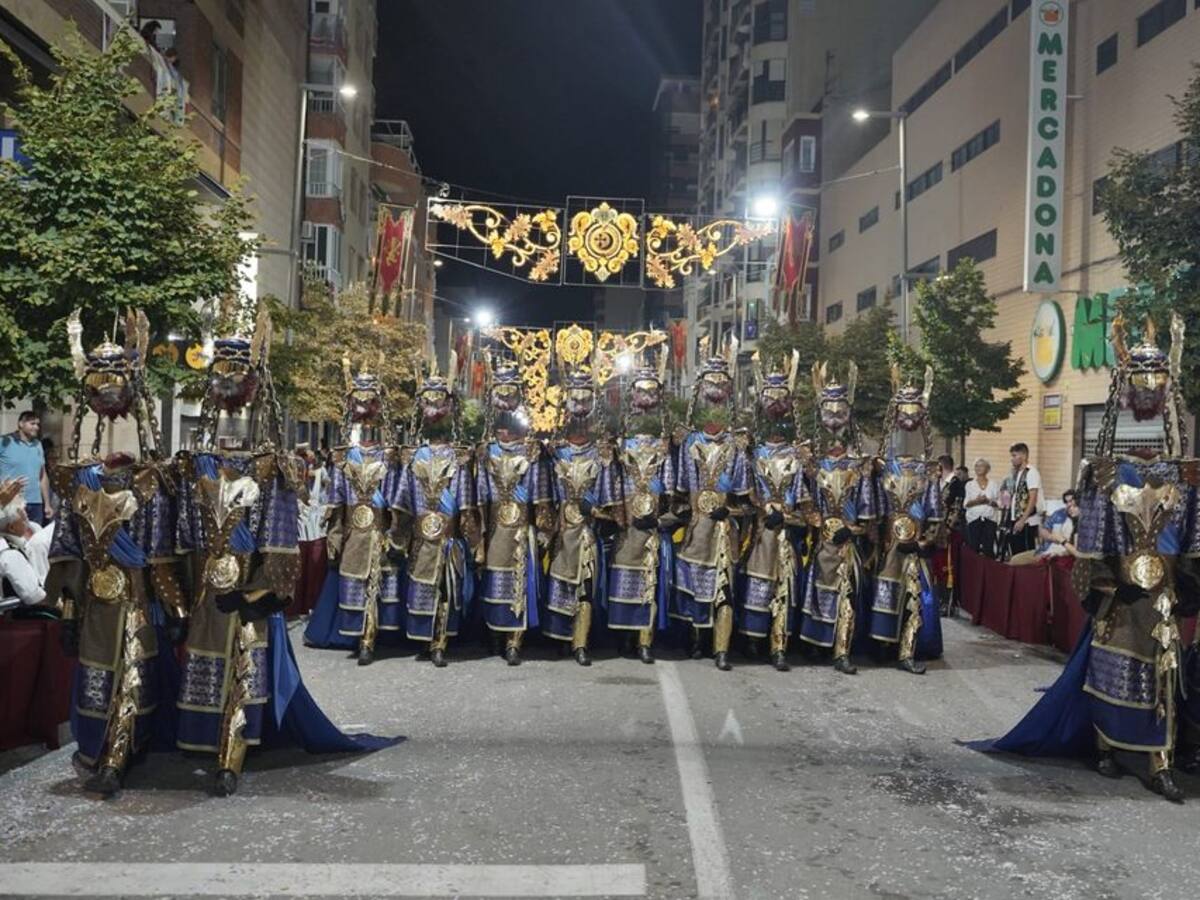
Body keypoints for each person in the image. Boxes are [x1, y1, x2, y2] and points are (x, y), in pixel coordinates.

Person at [971, 313, 1198, 803]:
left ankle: (1160, 761)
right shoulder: (1104, 472)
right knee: (1111, 671)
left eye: (1157, 387)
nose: (1151, 395)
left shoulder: (1183, 475)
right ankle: (1107, 746)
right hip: (1121, 598)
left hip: (1161, 597)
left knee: (1162, 673)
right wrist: (1111, 583)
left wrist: (1186, 584)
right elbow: (1092, 543)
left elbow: (1191, 539)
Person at [176, 312, 399, 797]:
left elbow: (280, 547)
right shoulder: (198, 466)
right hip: (207, 594)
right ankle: (200, 739)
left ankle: (232, 752)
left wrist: (257, 594)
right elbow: (186, 537)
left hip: (248, 595)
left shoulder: (271, 469)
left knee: (246, 666)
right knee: (204, 665)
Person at [45, 309, 183, 797]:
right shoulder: (79, 482)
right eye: (98, 384)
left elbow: (161, 553)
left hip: (139, 600)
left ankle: (118, 757)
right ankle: (99, 749)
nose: (106, 392)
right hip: (96, 603)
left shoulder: (152, 483)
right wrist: (67, 612)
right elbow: (68, 552)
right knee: (98, 676)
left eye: (115, 382)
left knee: (132, 673)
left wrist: (175, 608)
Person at [390, 355, 478, 667]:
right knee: (421, 588)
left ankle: (440, 642)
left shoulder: (458, 458)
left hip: (447, 539)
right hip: (420, 539)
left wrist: (473, 542)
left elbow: (465, 503)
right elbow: (402, 502)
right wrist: (397, 535)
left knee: (444, 589)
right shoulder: (414, 457)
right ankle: (424, 639)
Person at [316, 363, 403, 666]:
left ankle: (370, 637)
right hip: (353, 534)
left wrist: (394, 534)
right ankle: (358, 635)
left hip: (379, 532)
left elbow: (395, 500)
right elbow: (336, 501)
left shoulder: (389, 457)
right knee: (354, 582)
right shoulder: (344, 457)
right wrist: (334, 537)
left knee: (377, 584)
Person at [671, 340, 750, 672]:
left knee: (723, 589)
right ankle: (696, 640)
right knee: (694, 590)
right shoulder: (690, 442)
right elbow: (679, 495)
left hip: (723, 533)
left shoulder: (736, 445)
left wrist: (729, 512)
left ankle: (721, 649)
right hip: (695, 532)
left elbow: (747, 502)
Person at [798, 361, 877, 674]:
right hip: (821, 544)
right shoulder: (813, 465)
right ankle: (816, 644)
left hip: (846, 546)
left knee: (846, 595)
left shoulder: (859, 466)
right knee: (818, 594)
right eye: (828, 413)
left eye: (840, 413)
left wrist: (853, 530)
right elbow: (805, 502)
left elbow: (867, 510)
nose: (834, 420)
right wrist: (818, 523)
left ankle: (842, 651)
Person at [542, 332, 615, 666]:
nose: (580, 412)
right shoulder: (554, 453)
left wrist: (594, 510)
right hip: (562, 533)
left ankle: (580, 644)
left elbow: (610, 503)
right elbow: (545, 496)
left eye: (587, 402)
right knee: (560, 585)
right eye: (575, 402)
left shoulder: (602, 454)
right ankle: (560, 638)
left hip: (587, 533)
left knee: (584, 585)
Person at [475, 355, 552, 666]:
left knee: (518, 585)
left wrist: (544, 529)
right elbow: (480, 496)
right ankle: (494, 635)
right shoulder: (486, 450)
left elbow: (541, 495)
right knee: (495, 583)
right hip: (495, 530)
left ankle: (514, 642)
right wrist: (478, 536)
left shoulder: (531, 450)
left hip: (521, 531)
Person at [868, 366, 944, 674]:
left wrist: (923, 543)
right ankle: (882, 646)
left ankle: (907, 651)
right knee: (884, 594)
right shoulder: (882, 468)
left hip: (914, 550)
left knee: (914, 598)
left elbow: (935, 516)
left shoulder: (928, 471)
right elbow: (873, 510)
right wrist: (876, 540)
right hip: (888, 548)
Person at [604, 342, 676, 664]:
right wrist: (619, 517)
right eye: (640, 392)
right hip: (627, 528)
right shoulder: (620, 444)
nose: (646, 399)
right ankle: (623, 636)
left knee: (649, 582)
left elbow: (675, 496)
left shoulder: (665, 447)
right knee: (624, 579)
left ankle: (645, 640)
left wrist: (661, 520)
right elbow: (613, 484)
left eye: (651, 393)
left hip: (651, 530)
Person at [738, 350, 809, 672]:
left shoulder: (796, 455)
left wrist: (791, 518)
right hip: (760, 533)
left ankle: (779, 645)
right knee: (757, 585)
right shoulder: (752, 454)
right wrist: (762, 510)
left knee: (784, 587)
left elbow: (804, 500)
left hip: (786, 534)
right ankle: (751, 639)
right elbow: (746, 492)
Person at [0, 479, 52, 605]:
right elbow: (35, 597)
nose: (27, 521)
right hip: (25, 614)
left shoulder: (34, 530)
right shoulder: (10, 555)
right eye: (23, 519)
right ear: (11, 528)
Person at [0, 411, 51, 525]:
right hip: (11, 502)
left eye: (37, 424)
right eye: (32, 424)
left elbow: (42, 476)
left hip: (36, 504)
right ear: (21, 424)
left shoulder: (38, 445)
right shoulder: (4, 442)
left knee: (35, 535)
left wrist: (47, 504)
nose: (36, 427)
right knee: (12, 535)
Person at [1008, 490, 1079, 565]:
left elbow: (1076, 551)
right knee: (1014, 560)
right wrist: (1051, 537)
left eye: (1072, 502)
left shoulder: (1082, 523)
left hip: (1059, 555)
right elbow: (1042, 530)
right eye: (1066, 502)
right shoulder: (1059, 514)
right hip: (1045, 550)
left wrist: (1061, 541)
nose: (1069, 505)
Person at [1006, 442, 1042, 555]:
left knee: (1025, 554)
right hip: (1016, 518)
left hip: (1027, 521)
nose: (1012, 459)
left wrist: (1022, 520)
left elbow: (1033, 498)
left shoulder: (1031, 472)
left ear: (1024, 455)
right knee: (1016, 552)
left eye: (1014, 455)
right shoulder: (1018, 473)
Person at [962, 458, 1000, 557]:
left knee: (988, 548)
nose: (978, 468)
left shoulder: (994, 484)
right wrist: (977, 501)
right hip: (974, 519)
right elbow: (965, 504)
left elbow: (999, 503)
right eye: (976, 466)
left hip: (990, 519)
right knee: (973, 547)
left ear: (987, 469)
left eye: (981, 466)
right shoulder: (969, 484)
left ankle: (988, 566)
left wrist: (988, 501)